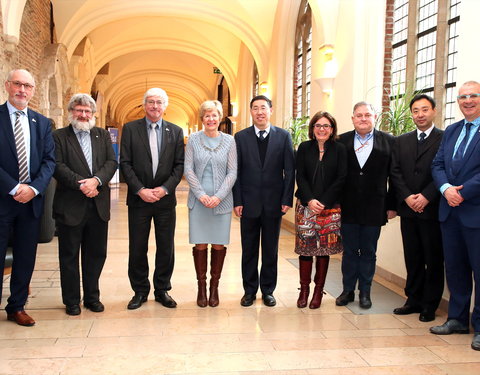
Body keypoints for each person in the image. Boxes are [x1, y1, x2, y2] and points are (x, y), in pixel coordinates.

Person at [53, 93, 117, 315]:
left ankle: (92, 297)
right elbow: (58, 166)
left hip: (98, 205)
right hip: (70, 204)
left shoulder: (102, 135)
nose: (83, 114)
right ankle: (71, 301)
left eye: (87, 111)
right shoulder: (59, 136)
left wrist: (96, 181)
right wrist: (82, 184)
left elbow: (111, 162)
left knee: (96, 253)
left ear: (93, 115)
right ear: (71, 112)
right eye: (79, 110)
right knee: (69, 255)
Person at [120, 88, 184, 310]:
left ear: (165, 106)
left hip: (165, 201)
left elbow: (179, 165)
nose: (155, 106)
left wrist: (165, 189)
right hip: (139, 200)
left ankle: (162, 289)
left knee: (166, 246)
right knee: (138, 246)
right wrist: (140, 189)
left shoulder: (175, 132)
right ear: (144, 105)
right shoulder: (130, 129)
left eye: (159, 102)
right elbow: (125, 163)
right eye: (150, 102)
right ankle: (139, 290)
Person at [0, 69, 55, 326]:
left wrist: (33, 189)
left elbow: (48, 161)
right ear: (8, 85)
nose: (23, 90)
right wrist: (13, 187)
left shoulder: (42, 123)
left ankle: (17, 306)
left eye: (28, 86)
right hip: (2, 199)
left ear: (33, 90)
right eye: (18, 84)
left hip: (31, 202)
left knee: (25, 256)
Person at [431, 80, 480, 351]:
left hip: (476, 211)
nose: (467, 101)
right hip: (449, 213)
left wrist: (464, 192)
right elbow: (437, 164)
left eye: (473, 96)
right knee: (456, 270)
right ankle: (457, 319)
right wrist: (446, 188)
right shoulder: (451, 131)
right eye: (462, 97)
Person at [233, 95, 295, 307]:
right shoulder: (240, 137)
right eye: (255, 108)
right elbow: (236, 171)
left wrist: (287, 199)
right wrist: (237, 200)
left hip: (274, 204)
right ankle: (249, 291)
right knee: (249, 250)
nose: (259, 112)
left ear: (271, 110)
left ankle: (268, 290)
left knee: (271, 250)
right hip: (248, 203)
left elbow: (289, 170)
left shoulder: (283, 136)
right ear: (251, 112)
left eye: (263, 108)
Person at [336, 101, 396, 309]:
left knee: (369, 251)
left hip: (375, 206)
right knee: (350, 251)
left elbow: (394, 176)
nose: (363, 118)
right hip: (348, 206)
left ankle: (365, 293)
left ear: (374, 117)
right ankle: (348, 291)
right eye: (359, 115)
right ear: (352, 118)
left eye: (367, 115)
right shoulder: (341, 141)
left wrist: (392, 205)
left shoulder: (388, 141)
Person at [390, 94, 444, 322]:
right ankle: (413, 299)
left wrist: (426, 196)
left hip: (432, 209)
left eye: (424, 110)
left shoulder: (444, 137)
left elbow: (446, 169)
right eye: (415, 111)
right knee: (412, 257)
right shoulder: (401, 140)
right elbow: (395, 171)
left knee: (432, 258)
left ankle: (430, 305)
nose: (420, 115)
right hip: (408, 209)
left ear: (433, 111)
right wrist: (408, 197)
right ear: (411, 113)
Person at [184, 100, 237, 307]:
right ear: (202, 118)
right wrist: (201, 195)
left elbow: (233, 171)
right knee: (200, 244)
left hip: (221, 202)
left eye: (214, 115)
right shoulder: (194, 140)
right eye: (207, 115)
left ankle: (214, 288)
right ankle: (201, 288)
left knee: (217, 243)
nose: (211, 119)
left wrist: (219, 196)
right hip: (198, 202)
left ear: (220, 117)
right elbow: (188, 169)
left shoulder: (230, 141)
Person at [294, 111, 347, 309]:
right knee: (306, 250)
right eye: (318, 125)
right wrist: (310, 200)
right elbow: (301, 176)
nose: (322, 129)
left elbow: (341, 178)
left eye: (326, 126)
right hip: (306, 207)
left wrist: (323, 201)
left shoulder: (340, 149)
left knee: (323, 250)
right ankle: (304, 290)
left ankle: (318, 291)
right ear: (312, 128)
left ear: (332, 129)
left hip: (330, 208)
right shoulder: (304, 147)